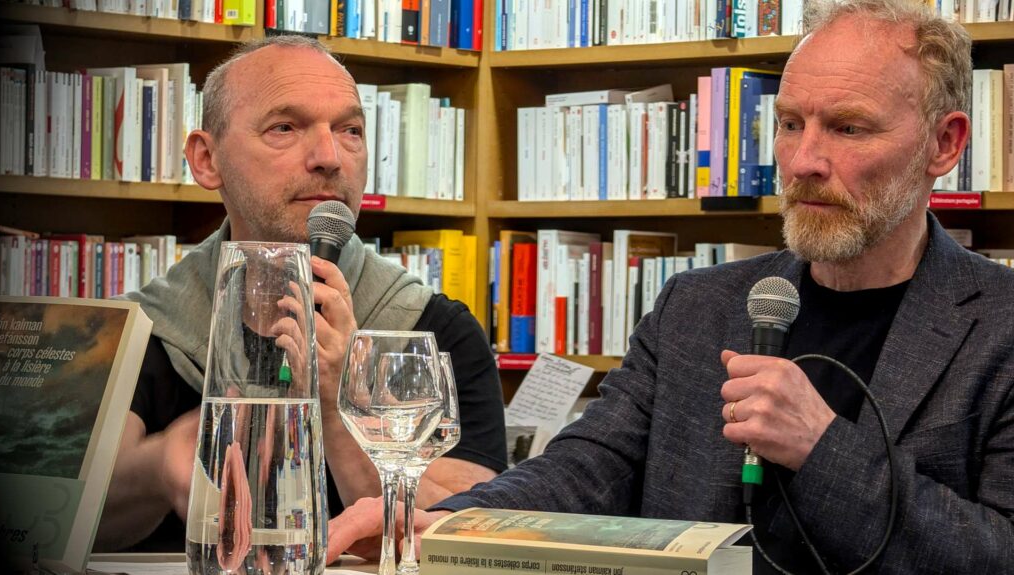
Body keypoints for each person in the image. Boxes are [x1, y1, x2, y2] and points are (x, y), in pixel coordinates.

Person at [324, 1, 1014, 572]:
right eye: (789, 124)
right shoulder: (698, 307)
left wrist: (823, 446)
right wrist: (449, 521)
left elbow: (997, 550)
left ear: (945, 144)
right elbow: (589, 467)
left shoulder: (1000, 327)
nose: (803, 160)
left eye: (848, 128)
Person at [94, 35, 508, 551]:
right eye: (284, 128)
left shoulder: (430, 331)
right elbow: (69, 518)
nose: (329, 157)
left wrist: (339, 404)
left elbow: (467, 535)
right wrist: (160, 464)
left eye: (350, 130)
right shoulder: (145, 328)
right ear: (206, 159)